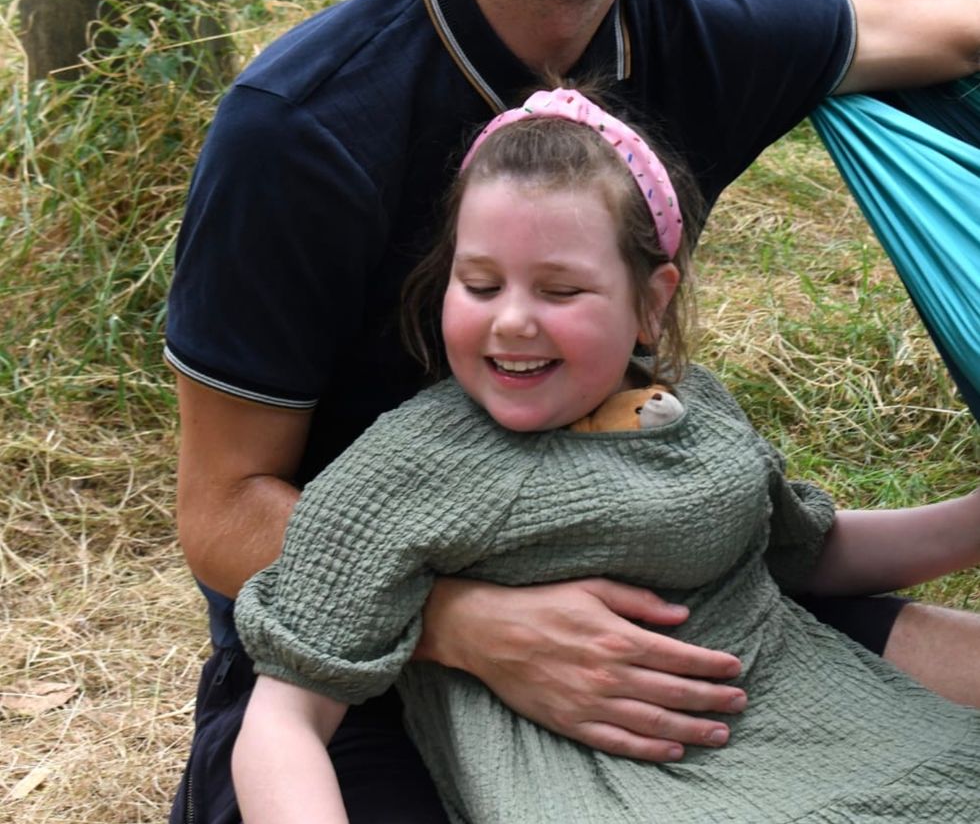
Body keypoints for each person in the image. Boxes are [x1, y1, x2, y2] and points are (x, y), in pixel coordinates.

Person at [166, 0, 980, 823]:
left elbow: (944, 27)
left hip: (670, 590)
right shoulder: (304, 129)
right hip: (368, 655)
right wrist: (469, 623)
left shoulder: (698, 35)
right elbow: (220, 510)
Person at [230, 88, 980, 824]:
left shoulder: (698, 412)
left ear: (652, 302)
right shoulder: (410, 469)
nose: (514, 319)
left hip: (827, 729)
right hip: (607, 790)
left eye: (560, 290)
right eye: (480, 283)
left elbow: (804, 552)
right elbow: (284, 717)